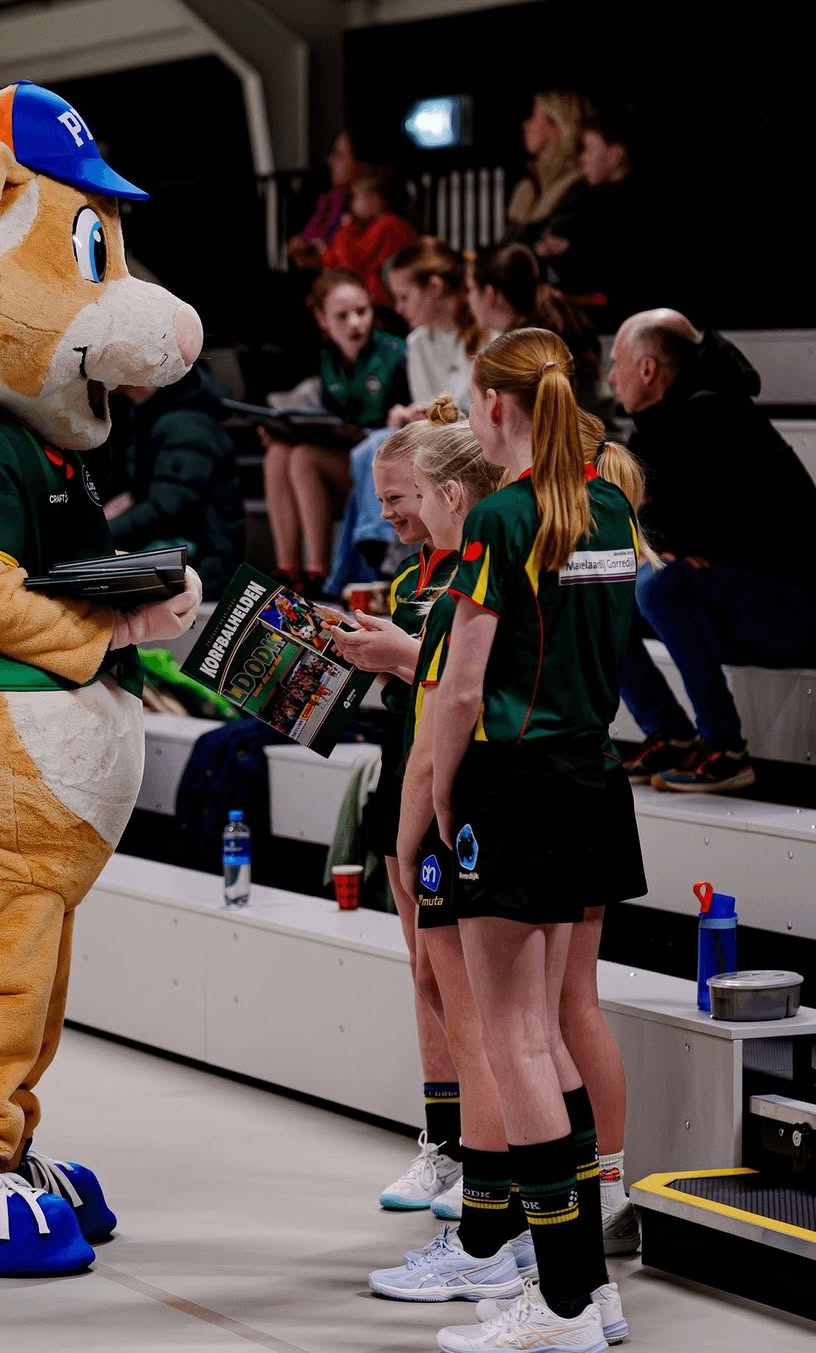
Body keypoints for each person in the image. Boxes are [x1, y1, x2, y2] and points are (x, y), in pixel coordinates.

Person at [417, 328, 645, 1353]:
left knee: (511, 1038)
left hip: (516, 786)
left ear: (501, 407)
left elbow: (460, 687)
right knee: (547, 1032)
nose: (466, 420)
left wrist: (437, 792)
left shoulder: (504, 519)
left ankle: (554, 1305)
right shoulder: (607, 502)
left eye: (469, 404)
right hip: (594, 779)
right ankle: (590, 1293)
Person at [328, 399, 500, 1211]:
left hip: (458, 799)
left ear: (447, 490)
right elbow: (417, 688)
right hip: (403, 778)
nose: (391, 511)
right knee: (425, 973)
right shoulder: (410, 578)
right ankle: (441, 1144)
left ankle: (486, 1152)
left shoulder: (487, 565)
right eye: (386, 498)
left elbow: (465, 685)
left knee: (472, 987)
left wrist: (404, 656)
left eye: (402, 496)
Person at [610, 309, 816, 792]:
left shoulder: (717, 415)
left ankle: (725, 746)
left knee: (658, 585)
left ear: (647, 369)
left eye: (617, 362)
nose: (609, 375)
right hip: (732, 596)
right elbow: (642, 527)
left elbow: (686, 526)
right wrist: (660, 541)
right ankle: (671, 734)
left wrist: (662, 542)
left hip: (793, 609)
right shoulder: (659, 425)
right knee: (598, 584)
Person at [325, 239, 489, 596]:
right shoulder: (416, 343)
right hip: (437, 434)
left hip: (473, 441)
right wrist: (411, 413)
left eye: (404, 296)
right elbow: (432, 407)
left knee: (373, 446)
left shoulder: (485, 333)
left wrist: (429, 415)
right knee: (376, 446)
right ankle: (378, 544)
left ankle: (377, 542)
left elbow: (475, 409)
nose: (398, 308)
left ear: (434, 287)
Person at [262, 269, 409, 594]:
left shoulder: (396, 353)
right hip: (345, 456)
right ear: (322, 319)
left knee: (303, 457)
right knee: (278, 452)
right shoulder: (327, 359)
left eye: (362, 311)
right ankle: (287, 568)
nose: (355, 323)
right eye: (342, 316)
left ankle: (317, 570)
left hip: (383, 469)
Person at [106, 366, 244, 594]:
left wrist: (102, 535)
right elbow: (141, 495)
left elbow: (167, 508)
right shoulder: (152, 415)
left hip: (199, 561)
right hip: (183, 551)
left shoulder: (186, 424)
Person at [467, 244, 609, 423]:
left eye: (470, 289)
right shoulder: (548, 323)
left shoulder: (526, 349)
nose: (468, 299)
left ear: (489, 294)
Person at [537, 104, 649, 331]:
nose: (582, 159)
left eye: (588, 149)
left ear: (615, 154)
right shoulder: (590, 201)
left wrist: (569, 252)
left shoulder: (627, 209)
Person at [501, 93, 587, 252]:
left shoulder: (575, 186)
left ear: (557, 126)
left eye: (533, 117)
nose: (525, 125)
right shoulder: (528, 189)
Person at [322, 169, 419, 309]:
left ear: (374, 199)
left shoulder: (389, 226)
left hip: (383, 304)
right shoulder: (373, 227)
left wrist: (346, 230)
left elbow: (353, 265)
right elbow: (334, 263)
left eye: (356, 197)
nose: (352, 205)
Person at [286, 129, 366, 270]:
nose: (331, 161)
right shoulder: (332, 200)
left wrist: (322, 255)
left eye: (339, 155)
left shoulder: (375, 214)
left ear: (361, 164)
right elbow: (310, 238)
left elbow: (351, 266)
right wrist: (304, 248)